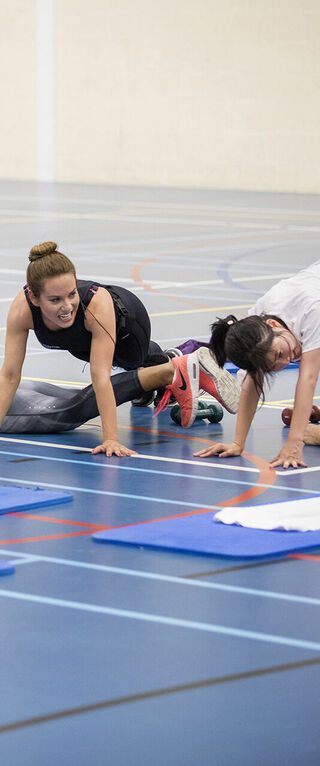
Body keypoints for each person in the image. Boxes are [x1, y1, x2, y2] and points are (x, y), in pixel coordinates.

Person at [0, 241, 238, 454]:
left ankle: (175, 366)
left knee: (131, 361)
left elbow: (100, 378)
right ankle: (171, 366)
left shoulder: (94, 307)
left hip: (129, 324)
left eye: (71, 294)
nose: (67, 306)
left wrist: (110, 439)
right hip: (79, 339)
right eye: (55, 300)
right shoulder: (22, 312)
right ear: (33, 297)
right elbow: (10, 376)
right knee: (119, 370)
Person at [194, 259, 320, 469]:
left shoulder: (312, 310)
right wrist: (238, 443)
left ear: (273, 325)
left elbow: (308, 379)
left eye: (280, 353)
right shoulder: (254, 330)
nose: (286, 361)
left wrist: (294, 443)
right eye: (273, 366)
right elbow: (252, 381)